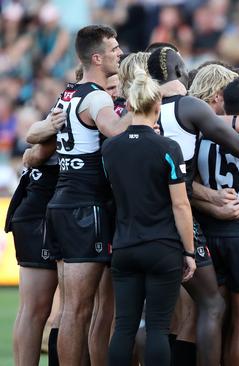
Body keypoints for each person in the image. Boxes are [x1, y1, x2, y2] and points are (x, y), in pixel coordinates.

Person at [147, 47, 239, 366]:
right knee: (226, 314)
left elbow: (178, 178)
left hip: (166, 223)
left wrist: (211, 201)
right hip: (222, 227)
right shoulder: (198, 115)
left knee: (166, 318)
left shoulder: (149, 113)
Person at [25, 24, 129, 365]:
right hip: (87, 207)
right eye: (114, 49)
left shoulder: (67, 95)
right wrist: (143, 106)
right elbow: (113, 130)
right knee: (82, 308)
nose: (119, 53)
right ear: (96, 58)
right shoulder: (98, 96)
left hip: (62, 201)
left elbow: (39, 152)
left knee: (73, 307)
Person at [103, 67, 196, 366]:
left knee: (124, 327)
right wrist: (190, 252)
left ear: (128, 106)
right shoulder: (168, 147)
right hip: (162, 247)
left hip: (125, 245)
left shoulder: (110, 148)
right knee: (158, 328)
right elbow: (181, 206)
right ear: (157, 106)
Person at [5, 140, 58, 366]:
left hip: (37, 210)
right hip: (39, 215)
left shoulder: (60, 114)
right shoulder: (68, 111)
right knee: (35, 309)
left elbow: (35, 138)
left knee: (32, 309)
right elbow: (35, 153)